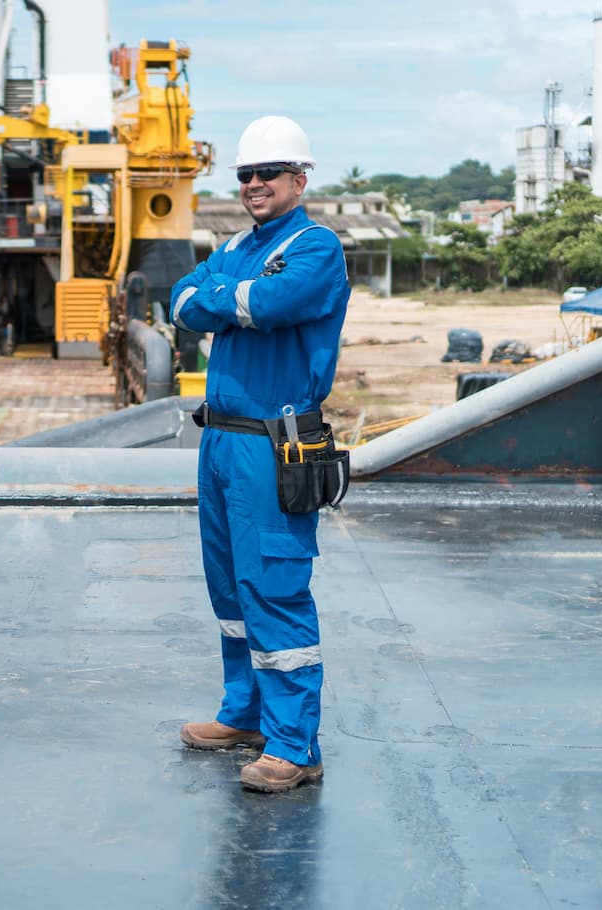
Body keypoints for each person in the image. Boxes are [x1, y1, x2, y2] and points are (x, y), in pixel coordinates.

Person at [168, 116, 351, 793]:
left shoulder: (315, 246)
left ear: (298, 180)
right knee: (230, 592)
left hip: (275, 444)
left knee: (273, 586)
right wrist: (224, 300)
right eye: (244, 174)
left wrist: (219, 299)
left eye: (267, 173)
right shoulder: (238, 244)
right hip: (219, 441)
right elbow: (181, 303)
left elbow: (271, 302)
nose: (252, 184)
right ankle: (243, 714)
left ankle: (294, 745)